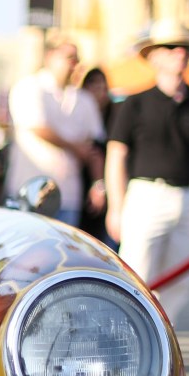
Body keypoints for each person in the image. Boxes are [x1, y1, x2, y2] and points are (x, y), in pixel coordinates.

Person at [104, 24, 189, 327]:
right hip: (146, 196)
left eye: (184, 48)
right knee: (136, 274)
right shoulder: (134, 104)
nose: (179, 53)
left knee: (183, 278)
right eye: (171, 47)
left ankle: (159, 335)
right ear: (154, 56)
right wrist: (116, 207)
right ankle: (129, 334)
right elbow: (116, 156)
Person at [6, 36, 105, 227]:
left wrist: (98, 184)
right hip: (30, 191)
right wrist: (75, 147)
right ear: (50, 56)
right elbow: (38, 127)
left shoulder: (84, 99)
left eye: (77, 59)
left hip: (69, 195)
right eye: (69, 57)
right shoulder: (29, 87)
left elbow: (94, 147)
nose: (74, 64)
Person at [77, 66, 115, 245]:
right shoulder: (78, 110)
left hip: (105, 181)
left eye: (102, 87)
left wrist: (100, 185)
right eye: (93, 86)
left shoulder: (115, 115)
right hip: (81, 181)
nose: (98, 92)